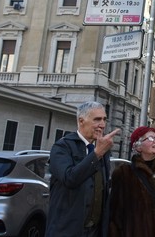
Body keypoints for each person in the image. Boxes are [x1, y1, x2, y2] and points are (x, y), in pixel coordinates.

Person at [46, 101, 120, 237]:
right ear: (81, 121)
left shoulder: (101, 150)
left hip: (95, 231)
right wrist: (96, 153)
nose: (102, 125)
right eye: (97, 119)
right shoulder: (62, 147)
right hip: (67, 230)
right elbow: (70, 179)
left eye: (104, 119)